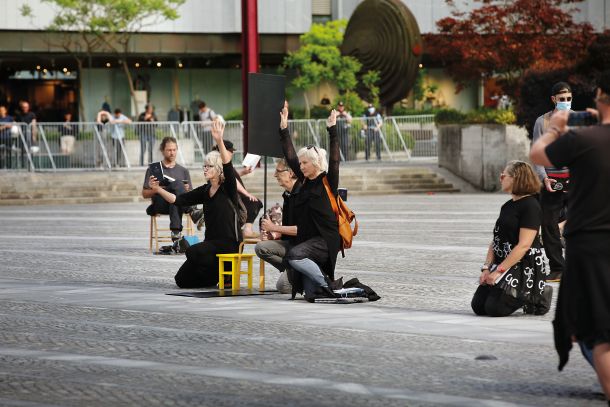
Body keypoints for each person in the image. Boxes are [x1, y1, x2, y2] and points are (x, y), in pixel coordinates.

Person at [530, 70, 610, 401]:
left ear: (599, 97)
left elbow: (537, 155)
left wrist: (553, 130)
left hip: (590, 244)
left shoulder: (583, 139)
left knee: (597, 330)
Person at [149, 119, 242, 288]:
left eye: (209, 166)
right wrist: (158, 190)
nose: (205, 169)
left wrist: (219, 140)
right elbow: (178, 200)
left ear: (218, 169)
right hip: (211, 243)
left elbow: (228, 165)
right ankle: (214, 275)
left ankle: (225, 270)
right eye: (204, 166)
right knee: (181, 280)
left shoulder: (228, 188)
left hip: (228, 243)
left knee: (192, 251)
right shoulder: (205, 190)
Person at [471, 160, 552, 317]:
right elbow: (496, 240)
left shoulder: (531, 206)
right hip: (503, 263)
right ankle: (528, 293)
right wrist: (487, 268)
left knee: (494, 309)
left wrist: (499, 271)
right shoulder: (507, 206)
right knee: (478, 306)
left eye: (503, 175)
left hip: (523, 265)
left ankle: (537, 294)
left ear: (516, 178)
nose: (500, 178)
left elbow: (524, 245)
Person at [279, 102, 341, 302]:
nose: (301, 166)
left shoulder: (327, 181)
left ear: (315, 164)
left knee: (294, 255)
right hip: (309, 239)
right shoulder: (304, 180)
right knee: (310, 294)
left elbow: (335, 160)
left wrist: (332, 130)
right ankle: (324, 284)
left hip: (325, 239)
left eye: (305, 163)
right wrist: (284, 128)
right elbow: (290, 156)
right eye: (301, 163)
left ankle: (326, 284)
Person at [531, 82, 572, 282]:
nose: (565, 102)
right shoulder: (542, 122)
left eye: (569, 99)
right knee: (548, 225)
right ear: (553, 99)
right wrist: (544, 178)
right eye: (561, 99)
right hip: (551, 181)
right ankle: (557, 268)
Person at [142, 136, 200, 242]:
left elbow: (191, 195)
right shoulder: (154, 169)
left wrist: (187, 190)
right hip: (160, 204)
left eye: (174, 150)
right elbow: (144, 194)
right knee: (177, 185)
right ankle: (192, 210)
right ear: (162, 151)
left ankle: (176, 233)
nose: (172, 153)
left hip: (178, 204)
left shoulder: (183, 171)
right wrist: (156, 189)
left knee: (175, 199)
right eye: (169, 150)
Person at [254, 159, 300, 294]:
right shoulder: (287, 194)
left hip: (305, 248)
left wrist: (273, 227)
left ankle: (303, 275)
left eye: (278, 171)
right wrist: (271, 235)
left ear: (290, 173)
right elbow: (287, 230)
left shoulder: (302, 193)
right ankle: (293, 269)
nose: (275, 175)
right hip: (291, 245)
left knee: (283, 287)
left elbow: (301, 230)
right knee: (261, 247)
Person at [212, 140, 262, 238]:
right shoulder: (221, 164)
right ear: (224, 151)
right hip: (231, 197)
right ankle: (246, 230)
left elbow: (231, 177)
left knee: (254, 202)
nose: (233, 153)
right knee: (254, 202)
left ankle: (245, 229)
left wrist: (243, 172)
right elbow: (232, 179)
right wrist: (246, 193)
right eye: (231, 151)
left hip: (235, 195)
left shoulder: (224, 163)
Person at [0, 105, 14, 169]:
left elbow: (12, 125)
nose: (1, 111)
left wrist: (4, 126)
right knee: (1, 153)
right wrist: (5, 126)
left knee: (9, 152)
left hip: (8, 137)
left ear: (5, 111)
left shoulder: (10, 118)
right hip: (1, 138)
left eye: (2, 110)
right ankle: (2, 166)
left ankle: (9, 166)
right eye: (0, 110)